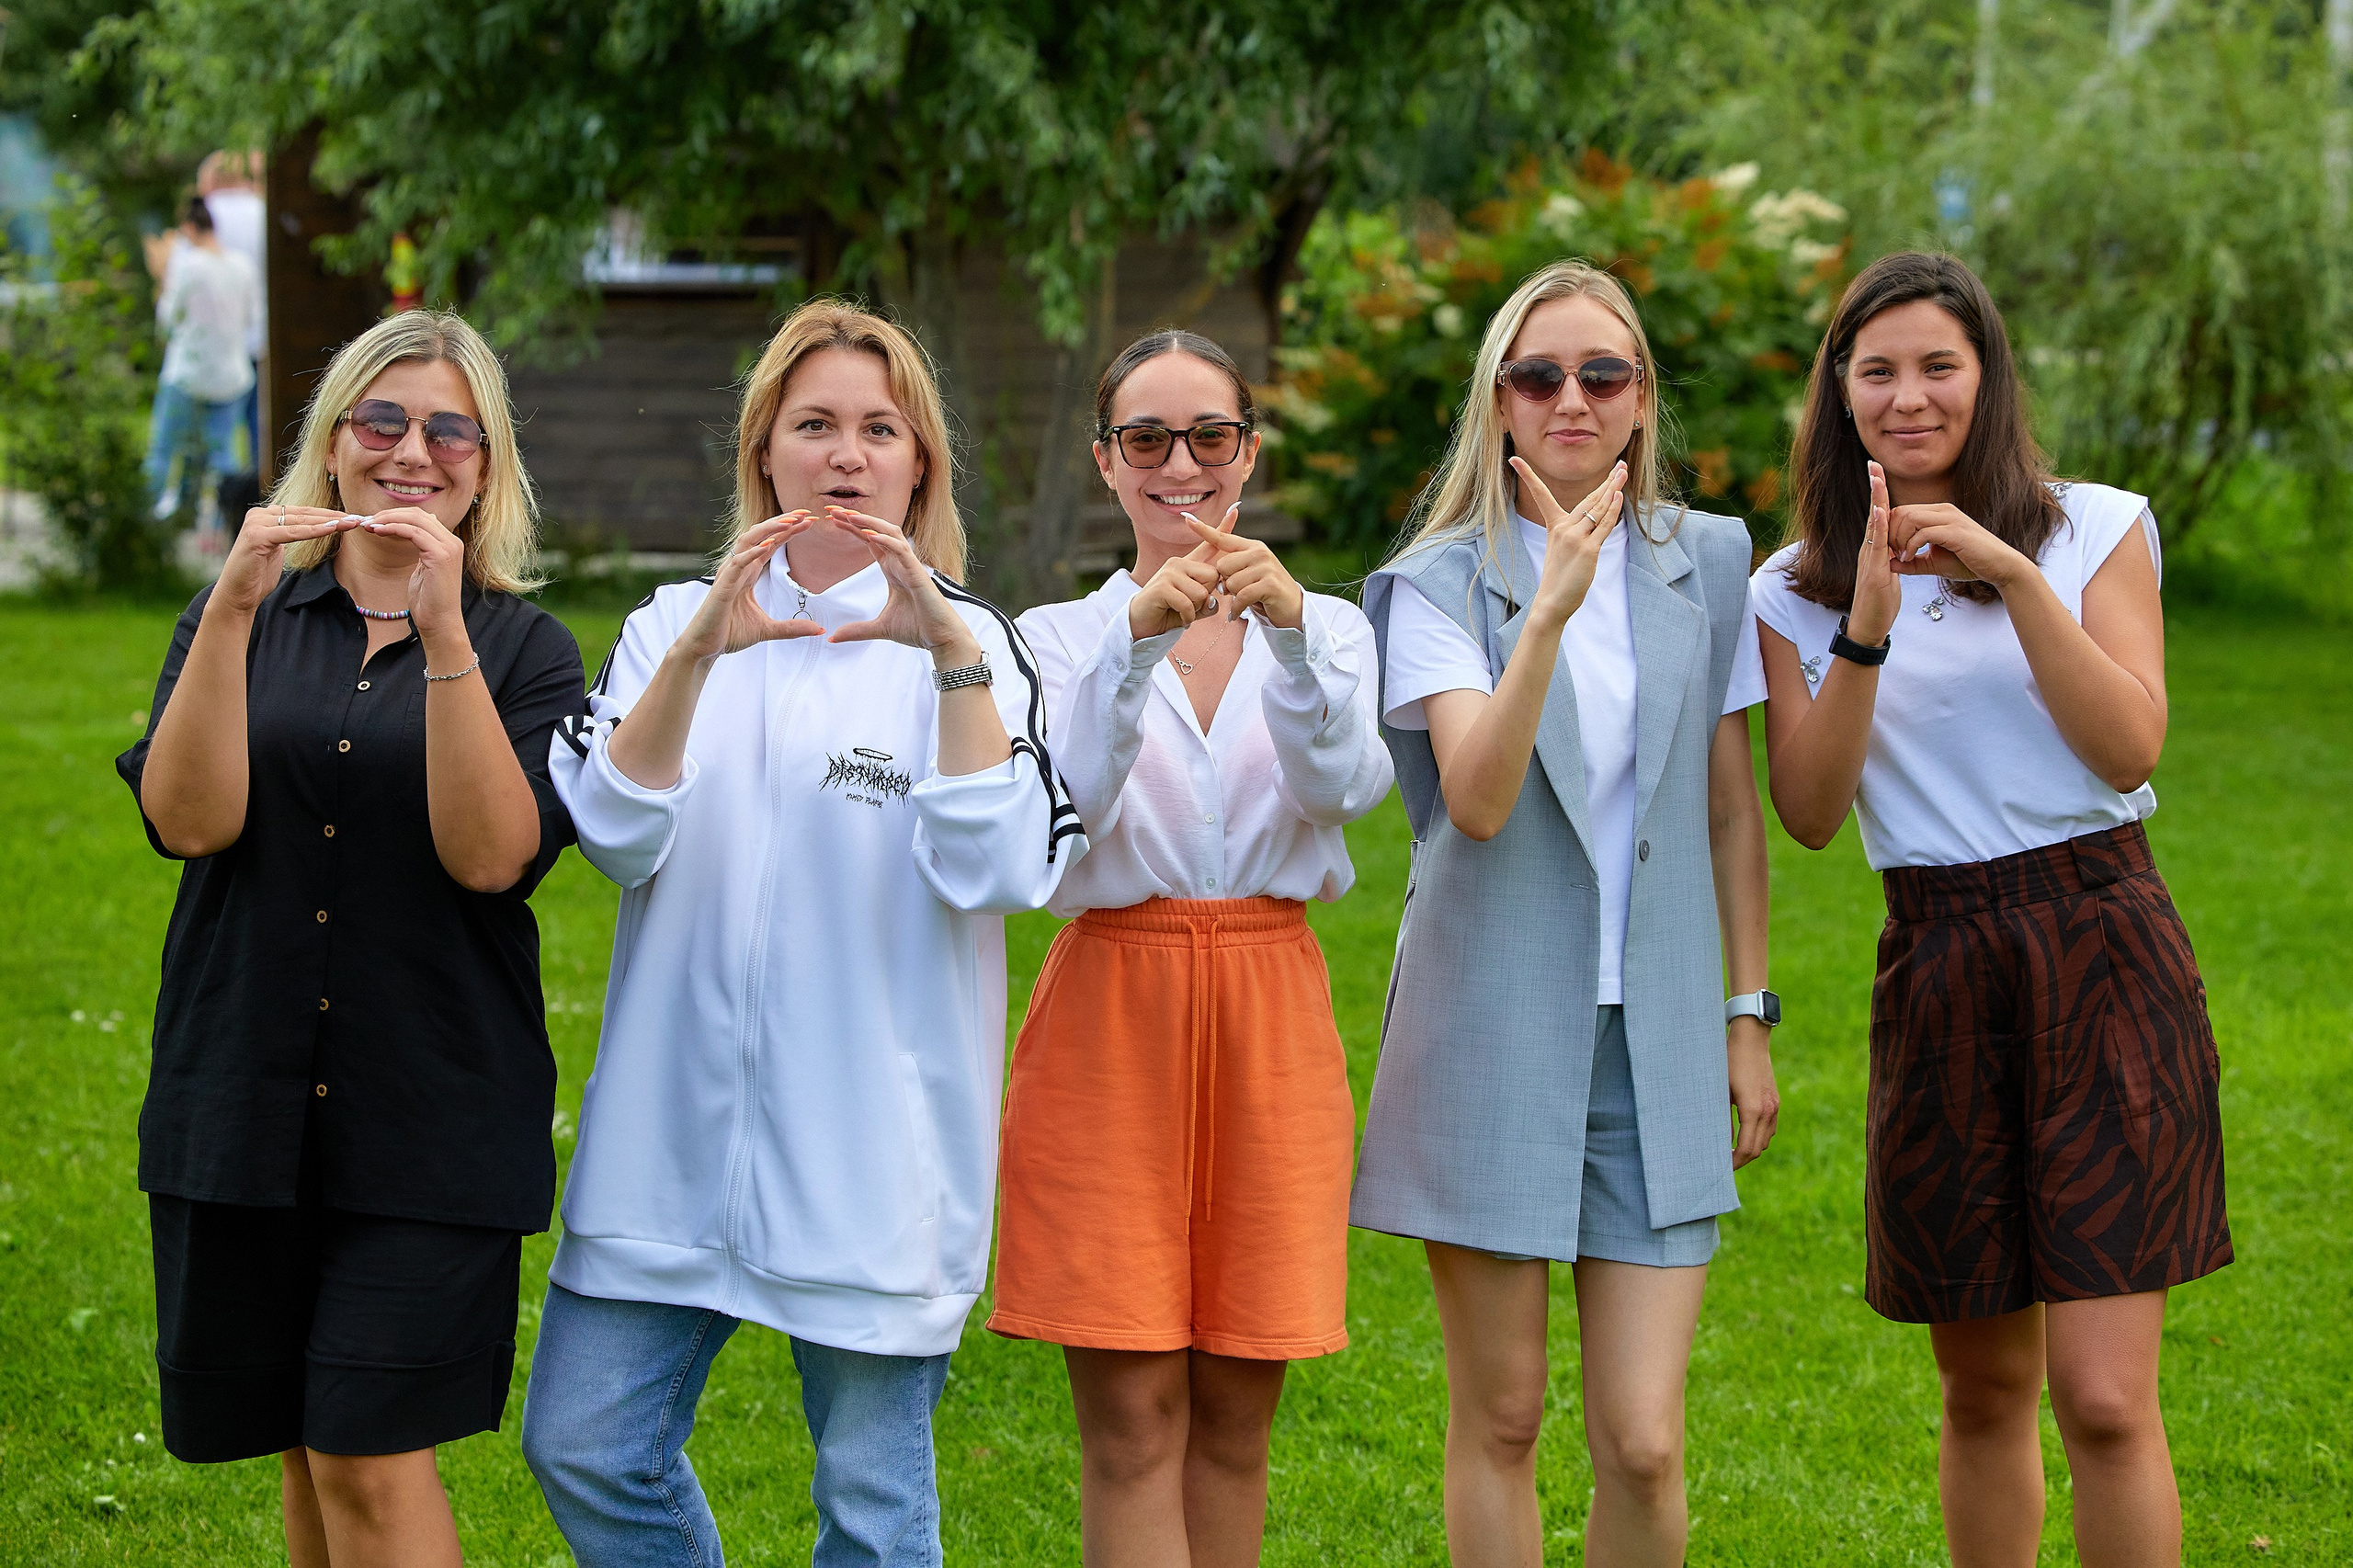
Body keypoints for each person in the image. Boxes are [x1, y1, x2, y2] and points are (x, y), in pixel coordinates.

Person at [520, 301, 1077, 1568]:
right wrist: (708, 649)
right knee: (586, 1442)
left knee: (875, 1521)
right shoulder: (674, 622)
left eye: (879, 429)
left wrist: (943, 654)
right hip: (666, 1147)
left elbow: (994, 865)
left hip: (874, 1160)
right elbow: (613, 834)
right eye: (814, 423)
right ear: (763, 448)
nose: (845, 453)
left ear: (918, 462)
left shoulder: (976, 642)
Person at [1748, 250, 2229, 1568]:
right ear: (1841, 392)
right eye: (1879, 368)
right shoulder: (1791, 586)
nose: (1910, 395)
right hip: (1942, 957)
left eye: (1938, 366)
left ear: (1986, 376)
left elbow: (2129, 747)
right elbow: (1808, 807)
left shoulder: (2095, 526)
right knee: (1983, 1390)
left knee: (2108, 1398)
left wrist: (2014, 579)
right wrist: (1866, 626)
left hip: (2103, 939)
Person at [117, 308, 585, 1567]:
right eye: (381, 420)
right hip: (244, 1104)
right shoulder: (243, 618)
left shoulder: (527, 651)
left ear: (487, 466)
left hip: (431, 1117)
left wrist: (439, 628)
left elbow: (490, 854)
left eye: (449, 430)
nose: (410, 452)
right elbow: (188, 819)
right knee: (306, 1448)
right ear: (332, 444)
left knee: (371, 1457)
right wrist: (227, 612)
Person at [1349, 259, 1779, 1568]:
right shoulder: (1434, 584)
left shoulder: (1705, 560)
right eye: (1537, 376)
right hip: (1486, 1029)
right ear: (1498, 403)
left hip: (1651, 1042)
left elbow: (1725, 811)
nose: (1570, 400)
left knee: (1643, 1438)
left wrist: (1745, 1011)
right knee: (1503, 1412)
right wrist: (1549, 608)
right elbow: (1475, 800)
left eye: (1602, 374)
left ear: (1643, 398)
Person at [994, 330, 1393, 1564]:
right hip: (1116, 997)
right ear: (1107, 462)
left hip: (1270, 999)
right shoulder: (1058, 636)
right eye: (1147, 439)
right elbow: (1069, 816)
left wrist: (1279, 635)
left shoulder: (1324, 625)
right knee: (1128, 1416)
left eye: (1209, 436)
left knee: (1234, 1409)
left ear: (1248, 450)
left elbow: (1350, 785)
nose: (1182, 464)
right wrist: (1140, 646)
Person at [144, 194, 261, 537]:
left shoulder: (186, 265)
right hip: (232, 374)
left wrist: (162, 278)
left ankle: (151, 526)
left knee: (164, 450)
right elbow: (252, 317)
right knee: (224, 455)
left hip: (187, 373)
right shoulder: (243, 266)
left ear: (189, 229)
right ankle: (226, 525)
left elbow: (167, 320)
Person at [199, 150, 269, 510]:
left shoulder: (206, 216)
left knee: (220, 438)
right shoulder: (263, 213)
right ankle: (267, 507)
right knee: (264, 435)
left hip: (217, 345)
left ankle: (218, 516)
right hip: (261, 339)